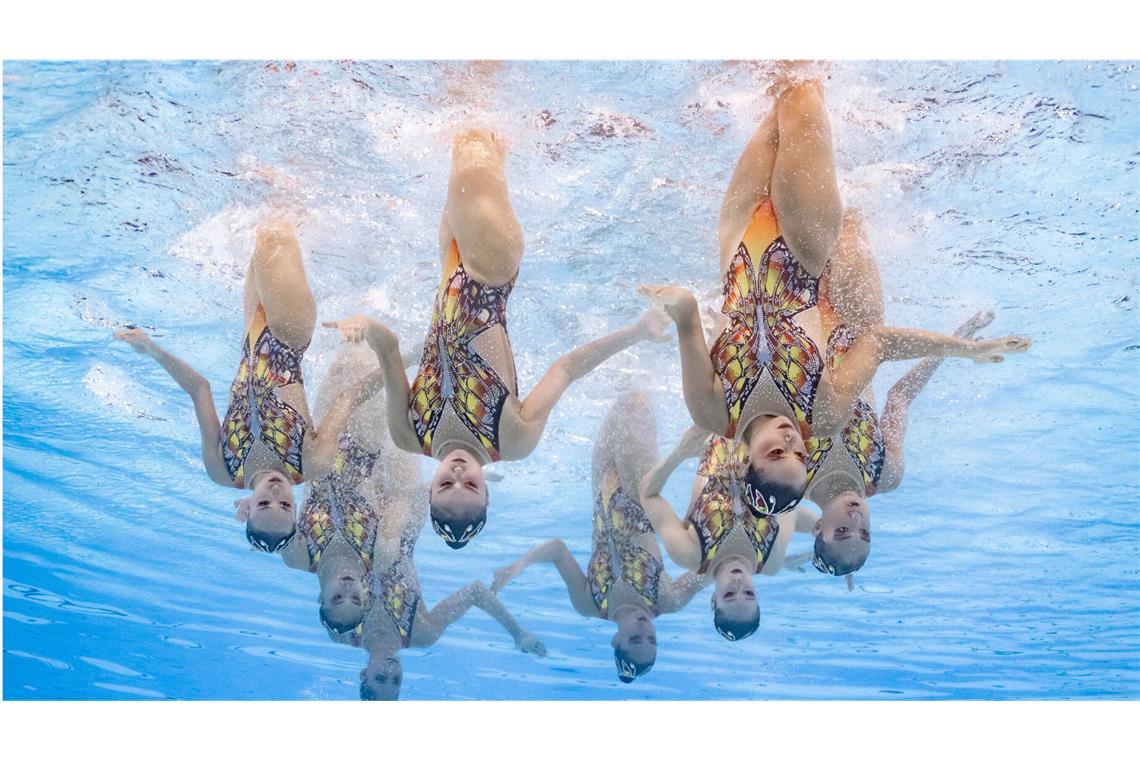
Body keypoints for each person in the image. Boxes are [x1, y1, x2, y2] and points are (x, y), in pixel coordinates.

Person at [639, 69, 1030, 522]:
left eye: (775, 455)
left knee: (774, 91)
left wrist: (671, 301)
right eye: (800, 458)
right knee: (802, 92)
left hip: (737, 240)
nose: (790, 442)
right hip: (805, 247)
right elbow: (879, 344)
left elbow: (688, 315)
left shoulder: (711, 415)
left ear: (745, 462)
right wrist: (968, 349)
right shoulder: (822, 418)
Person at [327, 128, 670, 550]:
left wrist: (364, 325)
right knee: (472, 136)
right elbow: (566, 368)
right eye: (468, 486)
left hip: (449, 262)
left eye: (445, 485)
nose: (456, 473)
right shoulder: (511, 440)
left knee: (478, 140)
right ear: (486, 491)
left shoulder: (409, 436)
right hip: (491, 267)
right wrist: (636, 332)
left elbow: (390, 349)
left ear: (429, 488)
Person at [114, 219, 383, 552]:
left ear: (246, 508)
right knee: (273, 233)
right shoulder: (310, 464)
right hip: (289, 333)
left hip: (251, 336)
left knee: (265, 236)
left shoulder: (222, 470)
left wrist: (151, 349)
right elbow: (350, 396)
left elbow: (199, 388)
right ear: (297, 509)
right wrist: (402, 358)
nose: (275, 496)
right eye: (285, 506)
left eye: (263, 505)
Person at [491, 392, 710, 682]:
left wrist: (517, 566)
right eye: (652, 641)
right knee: (635, 400)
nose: (645, 632)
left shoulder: (589, 605)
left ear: (615, 642)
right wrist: (771, 562)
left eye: (635, 640)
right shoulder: (667, 601)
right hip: (639, 493)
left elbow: (557, 550)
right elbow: (717, 567)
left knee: (619, 399)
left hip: (600, 487)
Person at [638, 428, 779, 642]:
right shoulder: (770, 553)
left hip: (713, 426)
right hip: (763, 432)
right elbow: (792, 504)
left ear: (714, 599)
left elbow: (647, 494)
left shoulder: (690, 554)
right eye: (749, 594)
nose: (738, 581)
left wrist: (680, 454)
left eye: (729, 595)